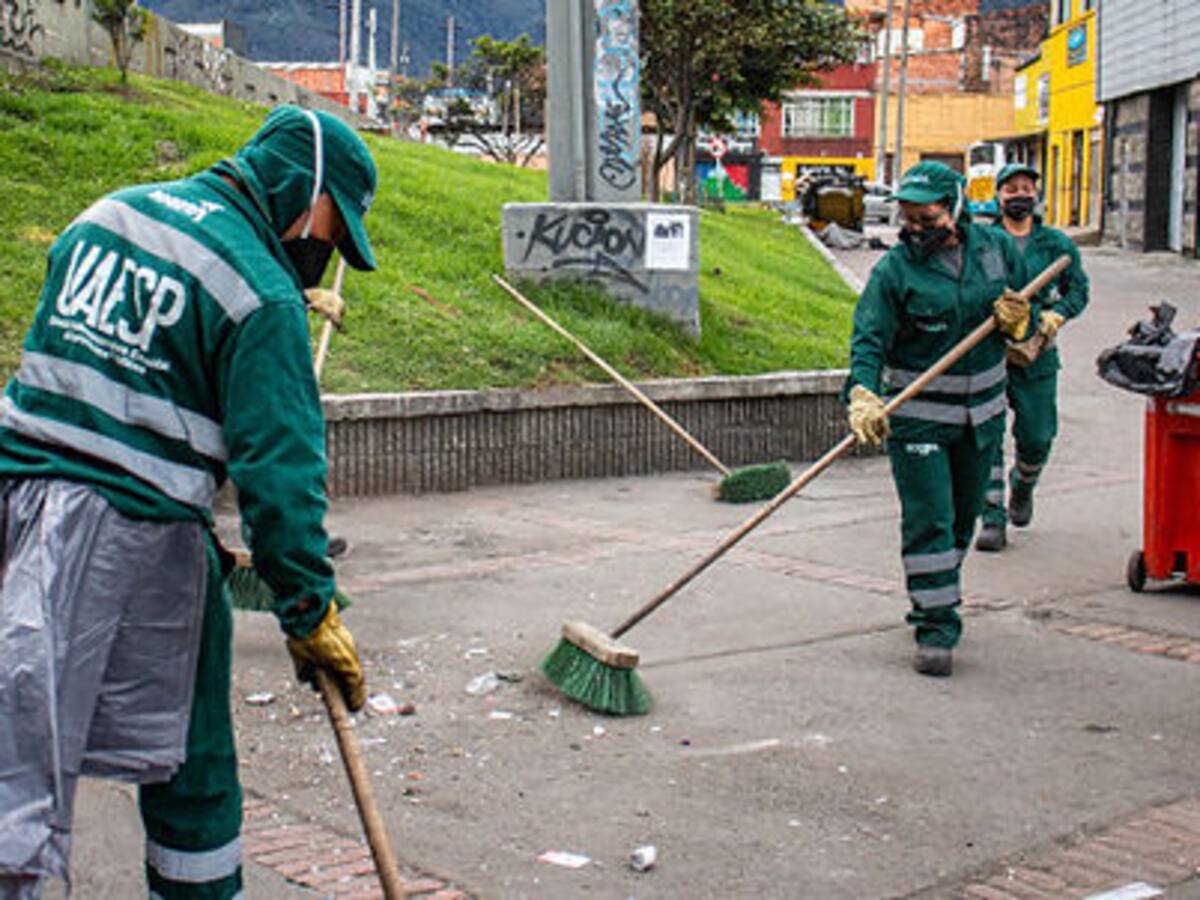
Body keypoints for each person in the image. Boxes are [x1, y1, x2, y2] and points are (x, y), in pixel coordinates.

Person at [0, 104, 375, 899]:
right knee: (190, 763)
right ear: (307, 195)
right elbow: (280, 479)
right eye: (334, 233)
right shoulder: (262, 295)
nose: (324, 254)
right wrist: (309, 612)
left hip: (14, 503)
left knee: (16, 735)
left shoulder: (112, 213)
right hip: (131, 538)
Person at [846, 161, 1031, 677]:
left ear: (955, 208)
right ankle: (936, 624)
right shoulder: (895, 271)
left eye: (927, 217)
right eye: (909, 218)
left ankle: (933, 595)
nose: (916, 228)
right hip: (920, 420)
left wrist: (1021, 322)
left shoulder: (994, 250)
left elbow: (1021, 312)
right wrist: (863, 392)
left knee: (963, 521)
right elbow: (868, 339)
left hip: (983, 415)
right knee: (930, 520)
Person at [975, 163, 1090, 551]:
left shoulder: (1056, 245)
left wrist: (1059, 313)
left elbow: (1078, 290)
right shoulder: (983, 240)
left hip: (1037, 350)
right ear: (999, 196)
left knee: (1037, 435)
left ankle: (1022, 487)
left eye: (1026, 188)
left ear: (1036, 196)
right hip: (990, 346)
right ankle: (991, 518)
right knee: (986, 434)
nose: (1019, 195)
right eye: (1011, 190)